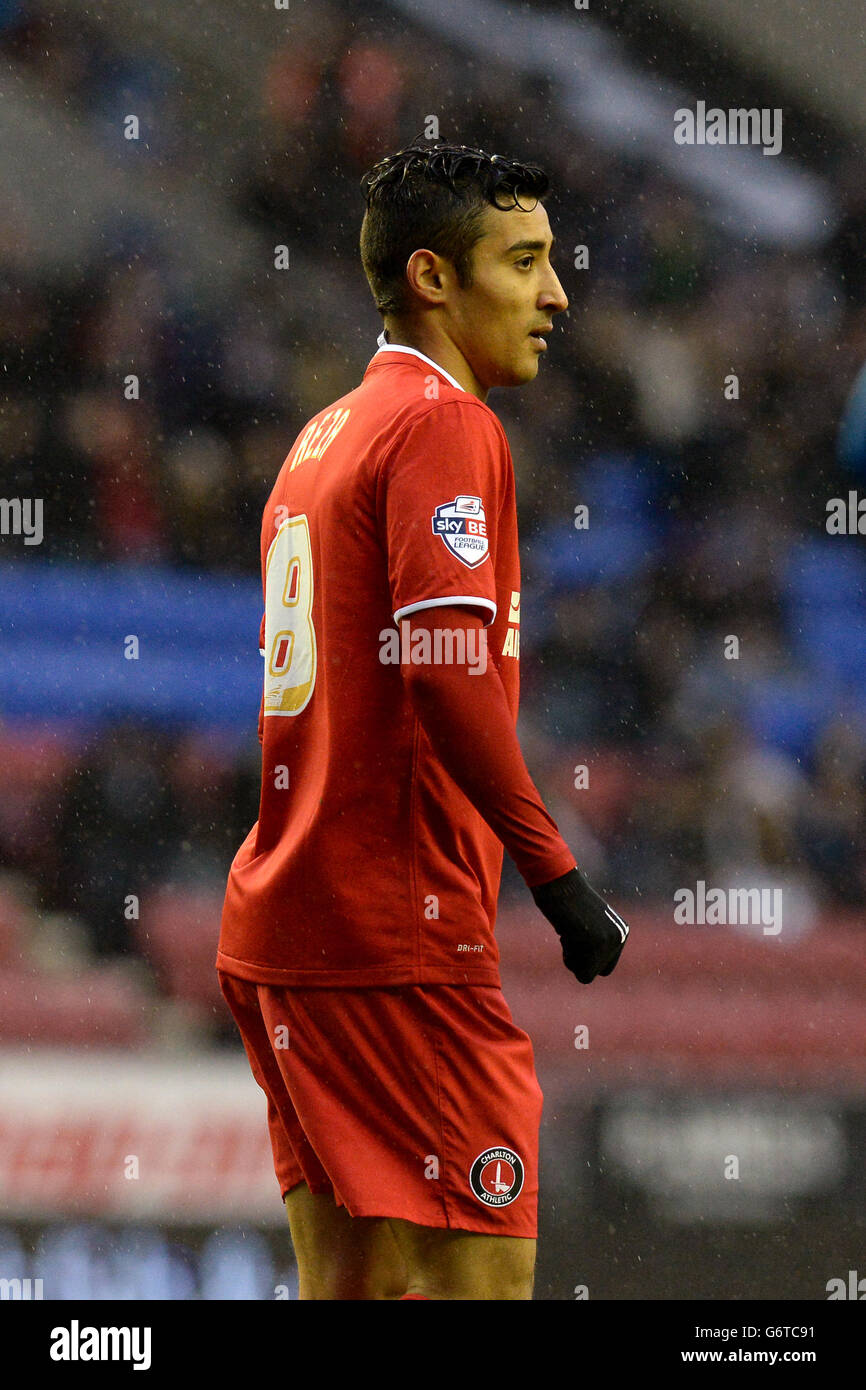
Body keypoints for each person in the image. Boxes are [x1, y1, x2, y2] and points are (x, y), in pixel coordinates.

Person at [216, 140, 630, 1301]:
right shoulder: (444, 428)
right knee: (481, 1286)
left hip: (287, 930)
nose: (555, 296)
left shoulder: (319, 438)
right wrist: (556, 876)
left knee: (351, 1285)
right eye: (525, 261)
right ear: (434, 278)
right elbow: (444, 675)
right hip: (397, 935)